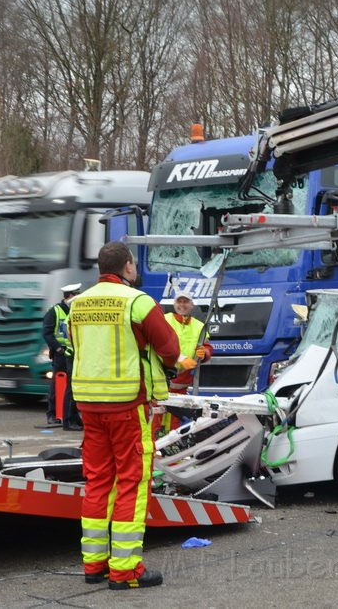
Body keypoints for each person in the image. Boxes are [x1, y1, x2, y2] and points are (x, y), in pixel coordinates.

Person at [68, 242, 189, 590]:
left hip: (88, 403)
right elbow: (170, 349)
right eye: (134, 265)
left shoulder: (78, 304)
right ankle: (125, 570)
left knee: (98, 482)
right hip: (125, 403)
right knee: (132, 484)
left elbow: (78, 348)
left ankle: (94, 565)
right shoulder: (137, 301)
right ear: (128, 268)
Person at [156, 288, 213, 436]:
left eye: (185, 301)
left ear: (192, 304)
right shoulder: (164, 319)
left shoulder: (199, 326)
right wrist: (180, 359)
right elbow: (159, 345)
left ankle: (173, 454)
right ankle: (156, 451)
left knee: (176, 421)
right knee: (156, 418)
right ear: (174, 304)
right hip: (162, 379)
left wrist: (204, 353)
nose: (182, 305)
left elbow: (207, 346)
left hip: (183, 381)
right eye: (179, 301)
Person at [41, 283, 82, 429]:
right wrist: (58, 349)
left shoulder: (76, 310)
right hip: (60, 353)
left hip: (72, 353)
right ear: (69, 296)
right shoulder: (55, 311)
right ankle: (52, 414)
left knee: (71, 386)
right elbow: (47, 332)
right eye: (76, 295)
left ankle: (69, 415)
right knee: (57, 385)